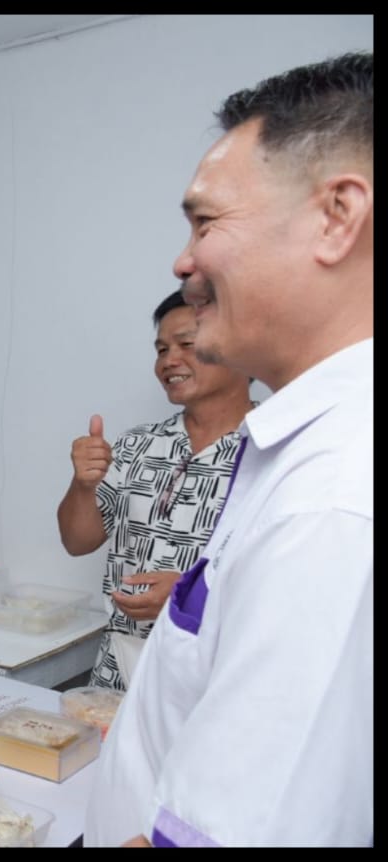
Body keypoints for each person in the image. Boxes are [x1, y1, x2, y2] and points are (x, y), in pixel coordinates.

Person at [86, 52, 372, 847]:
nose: (184, 261)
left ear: (337, 217)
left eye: (206, 223)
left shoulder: (336, 497)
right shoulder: (296, 449)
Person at [56, 289, 252, 690]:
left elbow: (299, 586)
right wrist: (83, 485)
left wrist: (193, 597)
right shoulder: (137, 444)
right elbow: (77, 542)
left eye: (186, 344)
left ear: (239, 348)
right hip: (119, 672)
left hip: (220, 674)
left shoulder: (272, 452)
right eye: (162, 349)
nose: (169, 361)